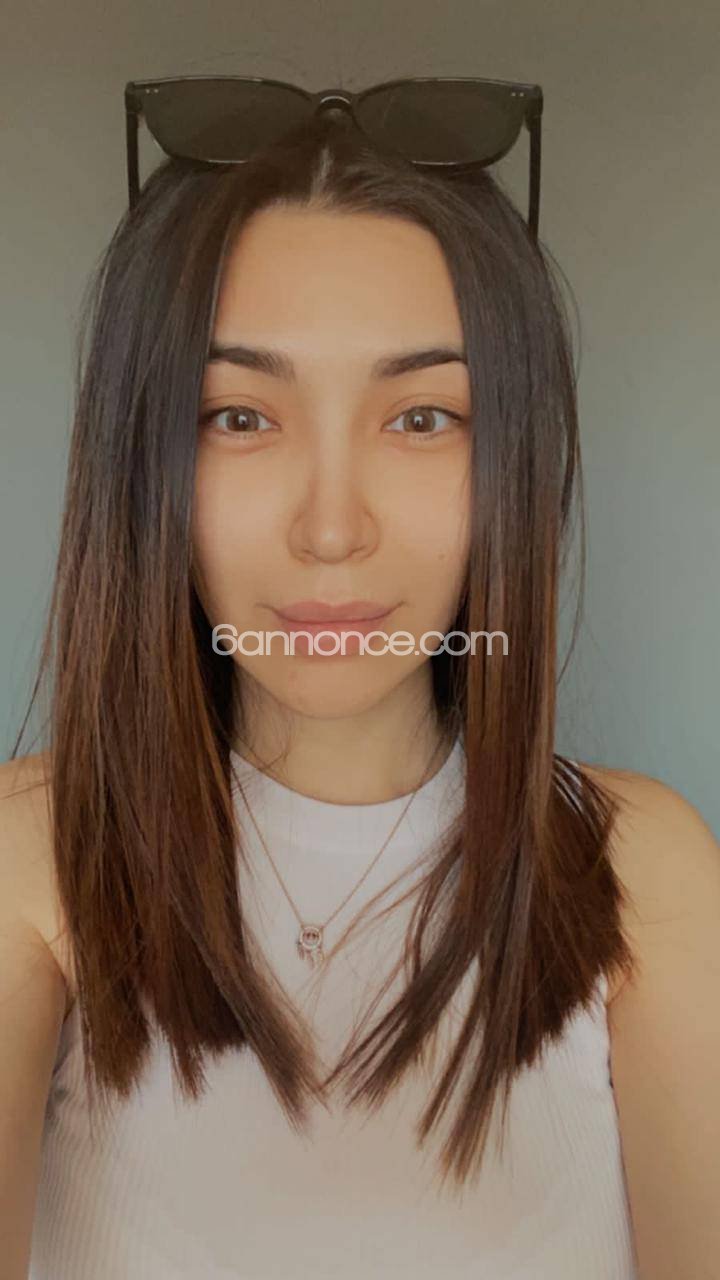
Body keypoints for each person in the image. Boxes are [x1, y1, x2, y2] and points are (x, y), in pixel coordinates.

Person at [1, 108, 718, 1280]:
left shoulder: (640, 868)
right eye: (239, 416)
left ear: (512, 459)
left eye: (422, 418)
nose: (332, 528)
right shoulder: (32, 853)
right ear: (144, 466)